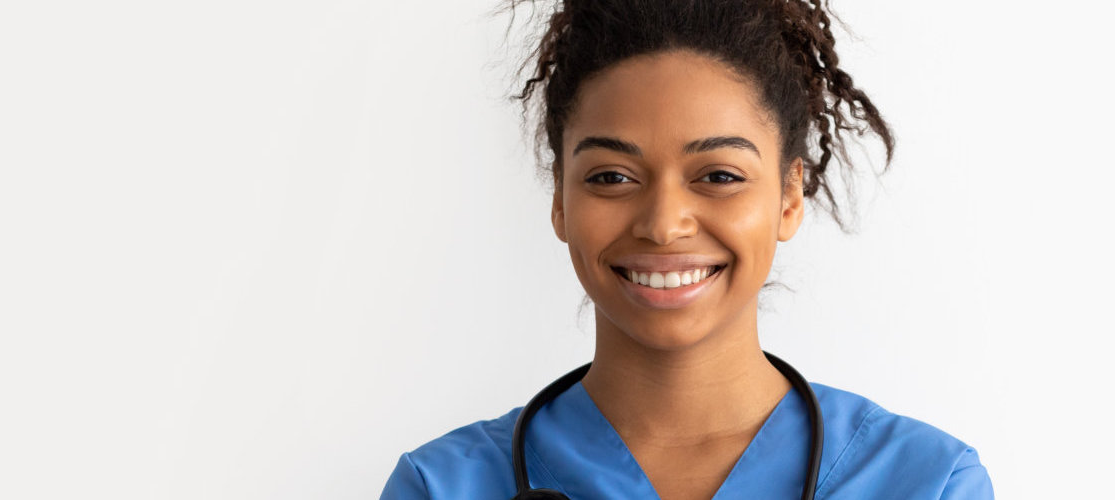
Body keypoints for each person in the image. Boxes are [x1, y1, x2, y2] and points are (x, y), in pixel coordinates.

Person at [382, 0, 992, 498]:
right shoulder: (443, 486)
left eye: (719, 176)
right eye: (611, 177)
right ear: (561, 203)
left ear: (788, 197)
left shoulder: (927, 483)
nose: (664, 224)